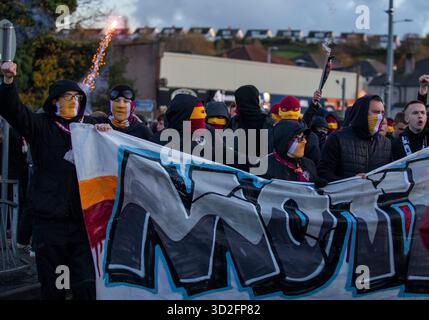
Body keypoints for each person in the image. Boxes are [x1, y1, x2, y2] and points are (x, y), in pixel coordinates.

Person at [0, 61, 110, 300]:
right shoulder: (41, 127)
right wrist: (9, 82)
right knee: (56, 288)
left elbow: (115, 150)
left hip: (82, 225)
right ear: (53, 102)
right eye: (66, 97)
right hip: (50, 226)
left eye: (76, 97)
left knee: (85, 285)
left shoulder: (91, 128)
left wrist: (107, 132)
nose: (72, 101)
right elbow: (13, 110)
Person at [318, 95, 392, 182]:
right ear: (362, 113)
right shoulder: (337, 138)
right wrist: (351, 180)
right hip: (344, 194)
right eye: (376, 112)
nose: (380, 117)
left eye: (382, 113)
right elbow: (323, 174)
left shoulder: (386, 143)